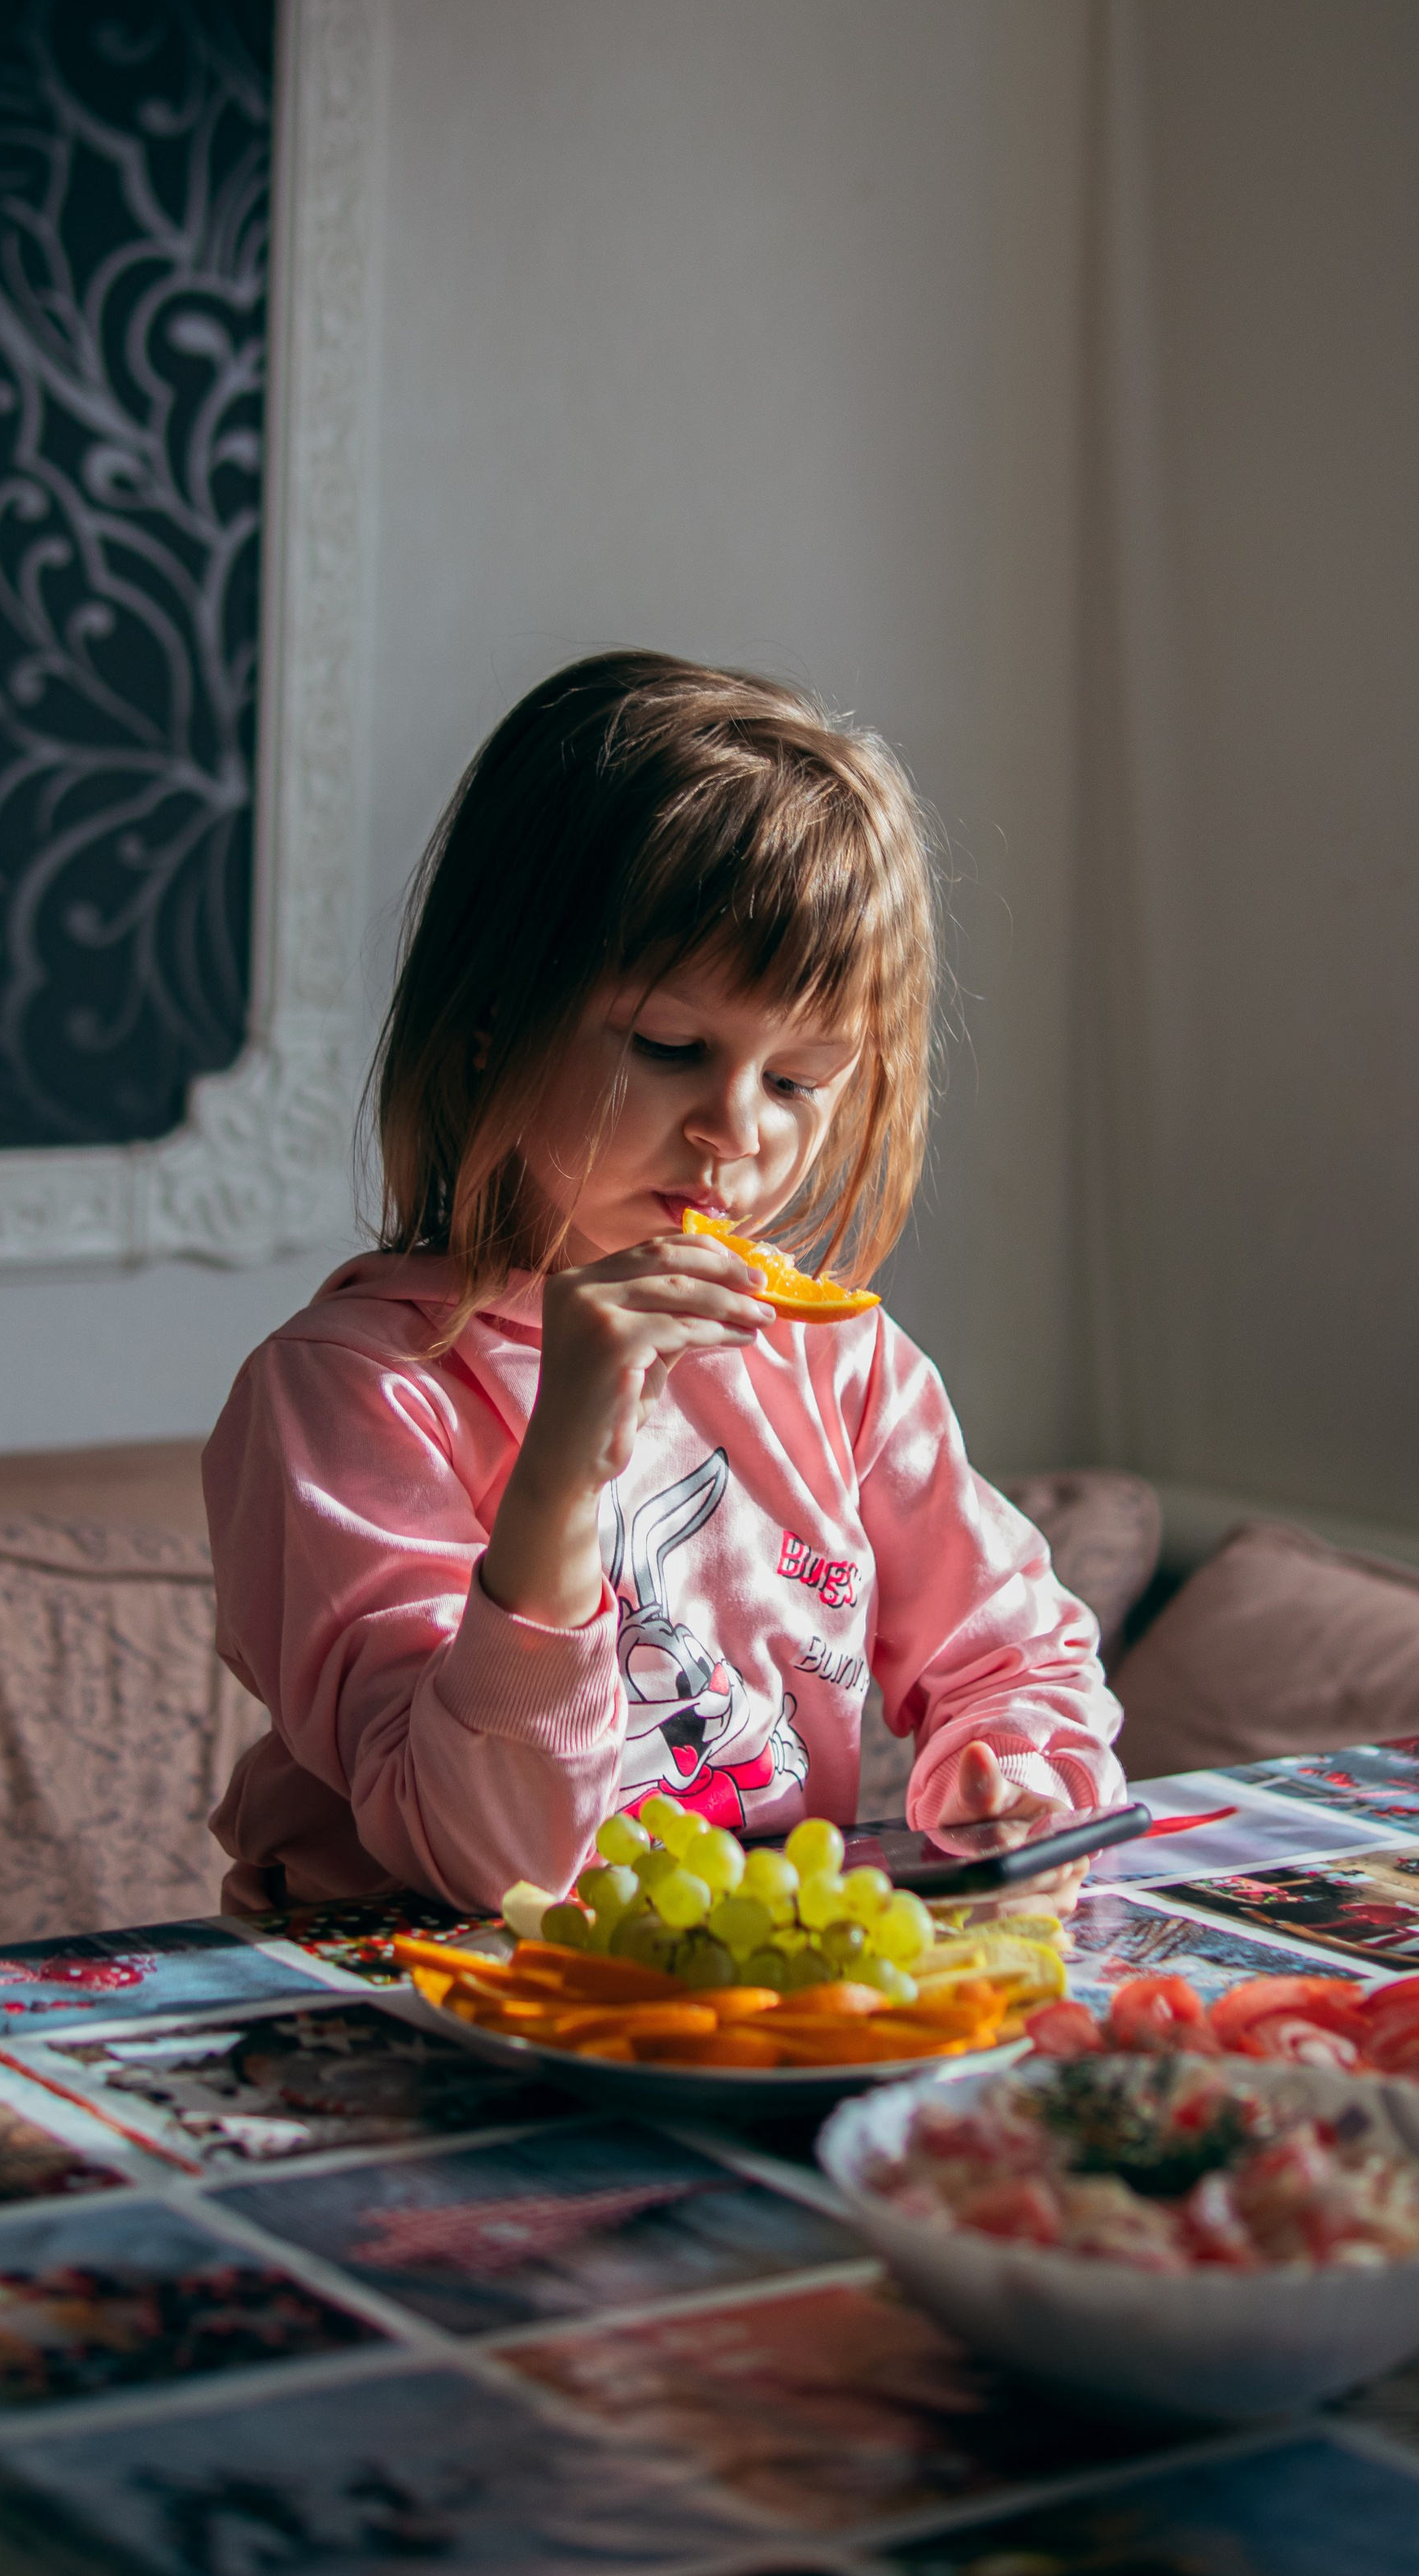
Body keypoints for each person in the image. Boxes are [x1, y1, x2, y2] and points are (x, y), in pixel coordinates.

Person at [205, 652, 1123, 1914]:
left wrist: (1011, 1772)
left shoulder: (842, 1371)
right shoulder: (348, 1397)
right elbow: (487, 1863)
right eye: (672, 1047)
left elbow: (1019, 1655)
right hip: (394, 2009)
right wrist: (559, 1474)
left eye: (799, 1080)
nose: (737, 1128)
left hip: (728, 2002)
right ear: (492, 1023)